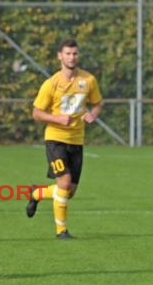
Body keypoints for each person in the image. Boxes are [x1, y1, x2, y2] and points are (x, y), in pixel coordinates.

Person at [26, 38, 102, 238]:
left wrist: (93, 114)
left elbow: (97, 103)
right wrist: (57, 118)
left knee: (69, 192)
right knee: (65, 183)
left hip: (77, 141)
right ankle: (61, 231)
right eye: (67, 53)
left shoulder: (89, 81)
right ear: (60, 55)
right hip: (56, 139)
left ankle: (36, 194)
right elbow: (36, 113)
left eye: (75, 53)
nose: (71, 57)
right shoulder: (51, 83)